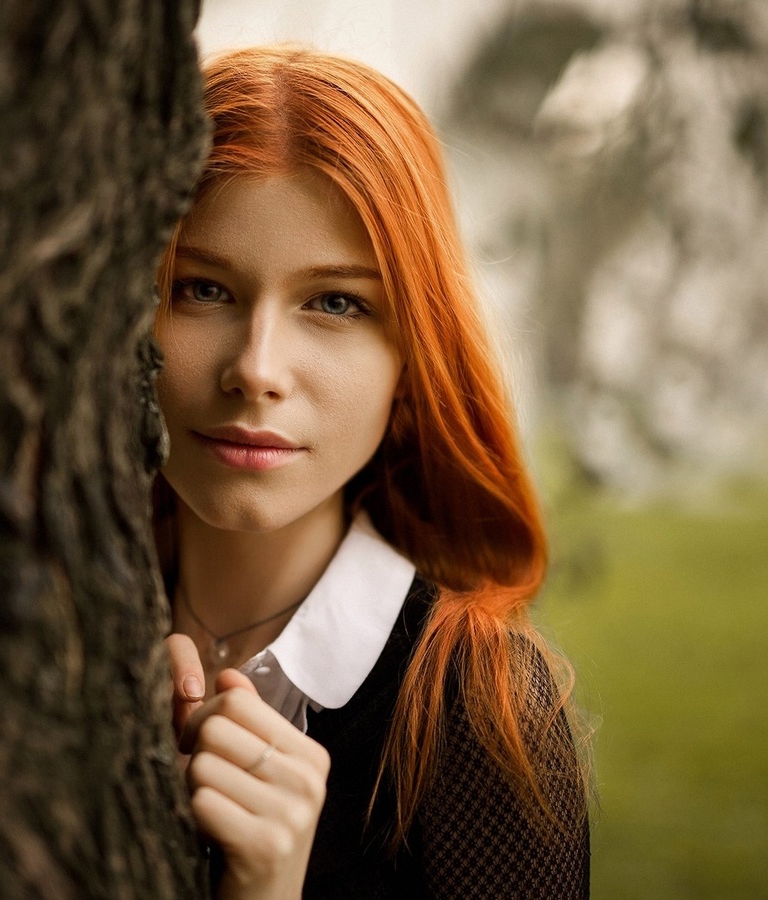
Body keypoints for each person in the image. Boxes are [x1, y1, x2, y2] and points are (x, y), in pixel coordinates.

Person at [156, 45, 590, 899]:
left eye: (336, 303)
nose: (257, 368)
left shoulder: (483, 714)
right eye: (203, 289)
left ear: (411, 356)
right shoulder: (37, 621)